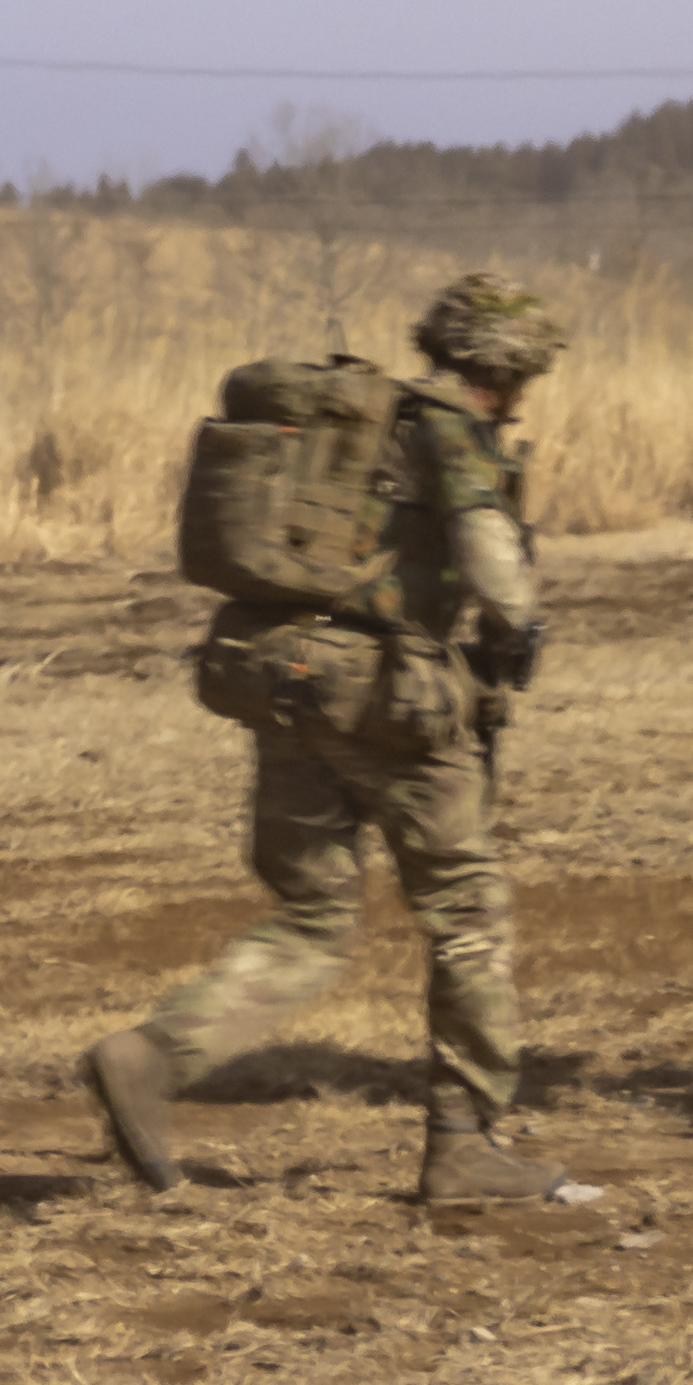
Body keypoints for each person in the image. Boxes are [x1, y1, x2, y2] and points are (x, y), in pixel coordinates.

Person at [86, 270, 580, 1207]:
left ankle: (150, 1054)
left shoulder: (359, 430)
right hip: (383, 696)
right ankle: (463, 1141)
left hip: (281, 674)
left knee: (313, 913)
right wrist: (517, 623)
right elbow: (488, 552)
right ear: (510, 368)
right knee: (468, 911)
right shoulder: (448, 428)